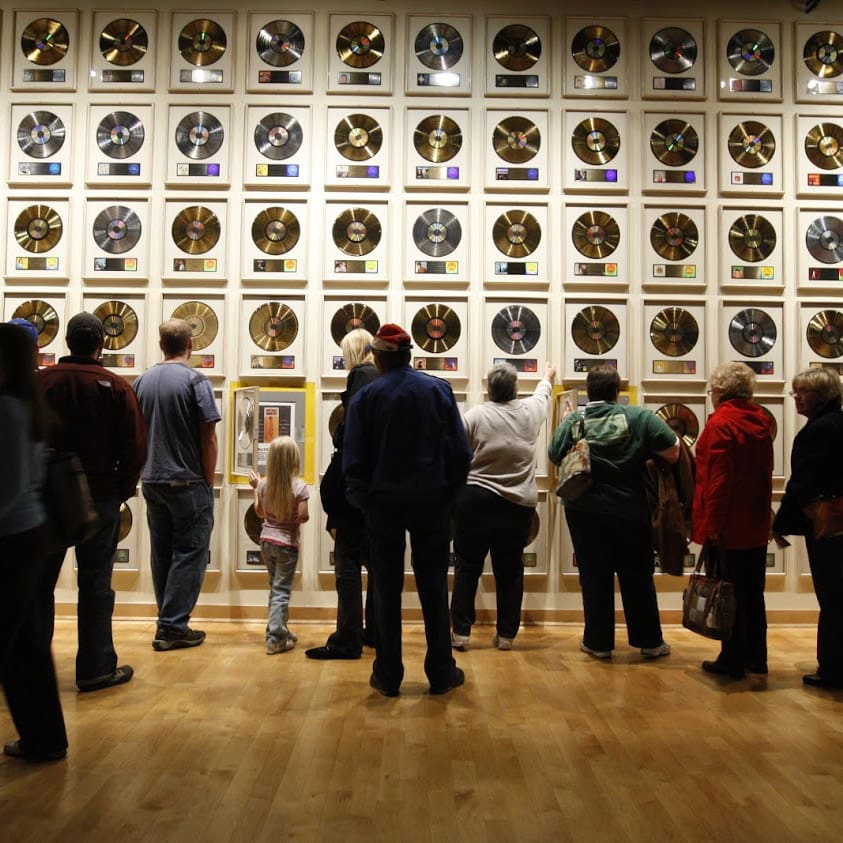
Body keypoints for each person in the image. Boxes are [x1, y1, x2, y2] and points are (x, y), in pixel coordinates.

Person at [343, 323, 472, 696]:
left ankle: (388, 674)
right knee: (433, 587)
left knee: (386, 589)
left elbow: (354, 457)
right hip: (432, 503)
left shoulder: (367, 397)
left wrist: (362, 500)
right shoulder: (438, 390)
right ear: (407, 355)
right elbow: (460, 452)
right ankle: (441, 672)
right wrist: (450, 495)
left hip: (383, 505)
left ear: (379, 358)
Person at [38, 312, 147, 692]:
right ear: (102, 344)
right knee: (97, 584)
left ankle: (35, 673)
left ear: (67, 342)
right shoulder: (115, 386)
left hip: (46, 496)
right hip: (100, 496)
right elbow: (134, 448)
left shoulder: (42, 382)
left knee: (38, 586)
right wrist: (121, 490)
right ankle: (96, 667)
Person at [548, 364, 679, 660]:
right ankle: (650, 642)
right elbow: (673, 451)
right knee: (637, 575)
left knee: (594, 575)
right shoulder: (638, 416)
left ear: (588, 391)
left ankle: (598, 643)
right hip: (630, 510)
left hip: (584, 511)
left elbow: (554, 455)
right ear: (617, 391)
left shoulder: (574, 421)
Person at [450, 361, 556, 651]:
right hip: (516, 505)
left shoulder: (475, 415)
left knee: (467, 567)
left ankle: (460, 633)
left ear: (488, 389)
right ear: (515, 389)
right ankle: (506, 635)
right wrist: (547, 375)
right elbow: (543, 394)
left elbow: (455, 449)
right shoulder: (529, 412)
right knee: (509, 571)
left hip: (474, 501)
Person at [0, 323, 67, 762]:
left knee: (18, 646)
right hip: (29, 535)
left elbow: (4, 488)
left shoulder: (7, 409)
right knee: (26, 649)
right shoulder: (28, 406)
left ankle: (44, 739)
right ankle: (46, 739)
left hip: (10, 541)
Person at [134, 319, 220, 651]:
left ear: (160, 345)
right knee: (190, 552)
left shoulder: (142, 381)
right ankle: (172, 626)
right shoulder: (196, 381)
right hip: (187, 481)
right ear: (191, 345)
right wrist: (208, 481)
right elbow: (208, 436)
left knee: (162, 551)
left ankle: (167, 620)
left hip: (152, 480)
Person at [692, 362, 774, 679]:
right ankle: (757, 657)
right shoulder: (760, 421)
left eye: (712, 390)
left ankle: (732, 659)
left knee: (728, 593)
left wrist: (711, 526)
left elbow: (719, 480)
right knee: (753, 593)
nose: (711, 396)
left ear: (721, 391)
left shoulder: (721, 423)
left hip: (727, 525)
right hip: (753, 523)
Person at [307, 328, 378, 660]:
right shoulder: (382, 375)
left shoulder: (361, 374)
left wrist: (338, 435)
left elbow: (354, 431)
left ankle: (348, 638)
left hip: (355, 488)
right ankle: (374, 632)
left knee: (347, 563)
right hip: (376, 487)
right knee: (376, 562)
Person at [773, 368, 843, 689]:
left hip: (829, 524)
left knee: (832, 599)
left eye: (802, 392)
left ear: (821, 396)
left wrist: (781, 522)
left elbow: (803, 482)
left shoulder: (818, 431)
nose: (796, 398)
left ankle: (832, 670)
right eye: (794, 392)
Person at [249, 436, 309, 654]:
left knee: (275, 588)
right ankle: (275, 638)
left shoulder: (264, 484)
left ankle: (280, 628)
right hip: (286, 545)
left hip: (266, 541)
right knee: (282, 591)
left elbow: (259, 512)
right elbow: (303, 517)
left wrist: (256, 488)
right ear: (294, 460)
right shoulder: (300, 487)